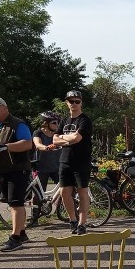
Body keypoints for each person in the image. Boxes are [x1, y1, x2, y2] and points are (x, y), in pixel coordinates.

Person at [0, 96, 33, 251]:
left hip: (18, 168)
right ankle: (22, 232)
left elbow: (27, 143)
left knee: (16, 203)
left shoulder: (17, 124)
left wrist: (7, 146)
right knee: (11, 202)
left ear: (5, 108)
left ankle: (15, 238)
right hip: (2, 169)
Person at [53, 90, 93, 235]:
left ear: (81, 103)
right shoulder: (64, 120)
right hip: (65, 160)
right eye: (71, 101)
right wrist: (68, 137)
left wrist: (63, 138)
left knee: (82, 192)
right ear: (67, 103)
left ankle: (82, 223)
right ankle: (73, 221)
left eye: (77, 101)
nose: (74, 104)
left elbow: (77, 138)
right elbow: (54, 140)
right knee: (64, 192)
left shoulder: (84, 120)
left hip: (81, 161)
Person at [33, 111, 62, 191]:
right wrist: (47, 148)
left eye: (58, 122)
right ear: (46, 123)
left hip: (57, 167)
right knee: (38, 196)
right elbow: (38, 145)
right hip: (41, 168)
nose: (57, 125)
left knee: (65, 190)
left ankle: (56, 203)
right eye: (54, 123)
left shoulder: (58, 134)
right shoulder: (38, 133)